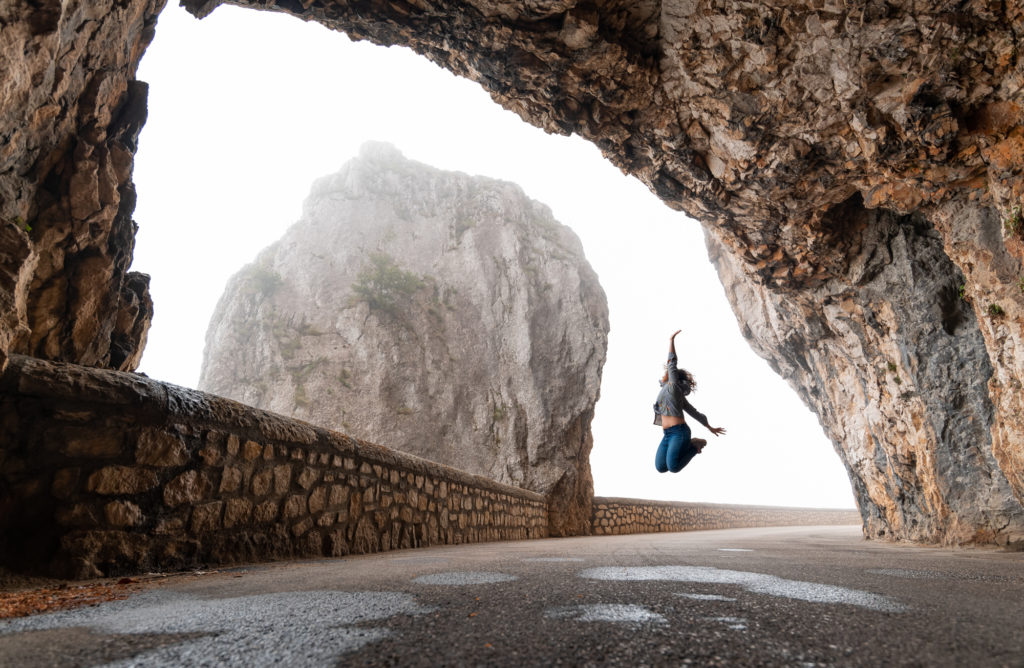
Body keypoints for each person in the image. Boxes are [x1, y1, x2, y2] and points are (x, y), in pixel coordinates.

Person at [653, 329, 726, 473]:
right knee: (661, 467)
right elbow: (694, 412)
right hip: (667, 434)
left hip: (679, 432)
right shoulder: (669, 392)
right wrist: (708, 425)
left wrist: (671, 341)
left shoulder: (673, 386)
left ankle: (694, 447)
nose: (665, 374)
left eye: (668, 373)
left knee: (673, 467)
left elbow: (672, 362)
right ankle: (690, 444)